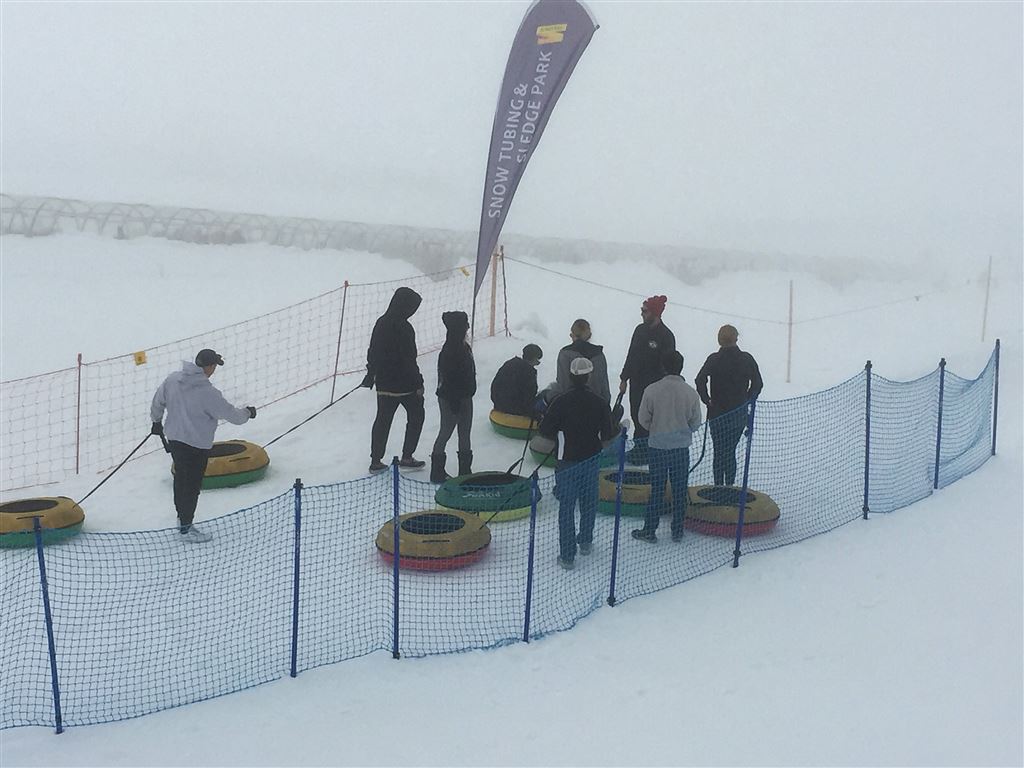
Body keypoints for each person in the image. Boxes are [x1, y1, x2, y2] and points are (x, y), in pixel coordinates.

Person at [150, 348, 255, 543]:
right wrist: (248, 413)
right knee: (191, 486)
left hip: (175, 440)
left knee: (181, 481)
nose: (214, 369)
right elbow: (232, 415)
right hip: (196, 446)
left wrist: (156, 421)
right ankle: (185, 528)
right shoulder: (208, 393)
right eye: (214, 365)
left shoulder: (173, 379)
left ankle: (182, 520)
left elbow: (158, 401)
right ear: (208, 366)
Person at [538, 357, 617, 570]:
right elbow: (608, 434)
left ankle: (567, 555)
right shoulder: (600, 402)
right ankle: (586, 541)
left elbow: (545, 431)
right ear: (589, 376)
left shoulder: (560, 402)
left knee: (566, 507)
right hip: (591, 459)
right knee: (589, 501)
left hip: (566, 461)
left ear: (570, 376)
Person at [631, 350, 702, 543]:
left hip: (657, 447)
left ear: (663, 367)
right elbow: (696, 423)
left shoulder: (652, 390)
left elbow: (642, 420)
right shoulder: (691, 393)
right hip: (680, 448)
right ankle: (677, 530)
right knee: (680, 490)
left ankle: (650, 529)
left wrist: (655, 428)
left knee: (657, 489)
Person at [361, 287, 427, 474]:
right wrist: (418, 383)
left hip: (384, 384)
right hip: (405, 385)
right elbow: (409, 359)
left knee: (382, 420)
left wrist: (371, 373)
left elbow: (372, 351)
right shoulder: (405, 328)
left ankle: (375, 460)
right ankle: (407, 456)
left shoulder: (381, 323)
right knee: (416, 417)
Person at [695, 324, 763, 487]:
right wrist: (747, 398)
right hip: (738, 415)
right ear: (736, 338)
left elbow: (699, 380)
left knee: (719, 452)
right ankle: (729, 486)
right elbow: (758, 383)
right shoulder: (746, 359)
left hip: (717, 414)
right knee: (730, 451)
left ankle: (719, 485)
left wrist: (707, 399)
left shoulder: (714, 359)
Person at [618, 295, 676, 461]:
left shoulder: (666, 336)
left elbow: (669, 364)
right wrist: (624, 378)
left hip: (656, 387)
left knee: (652, 419)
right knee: (637, 415)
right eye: (641, 311)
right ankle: (640, 448)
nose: (642, 314)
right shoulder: (639, 330)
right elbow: (631, 355)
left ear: (655, 313)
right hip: (637, 383)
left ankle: (651, 451)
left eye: (645, 311)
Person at [431, 311, 476, 483]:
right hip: (451, 399)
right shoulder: (451, 350)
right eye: (465, 325)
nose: (468, 328)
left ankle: (465, 471)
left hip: (464, 397)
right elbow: (450, 378)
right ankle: (437, 471)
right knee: (446, 431)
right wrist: (455, 401)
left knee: (464, 434)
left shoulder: (463, 347)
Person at [545, 319, 611, 404]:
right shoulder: (599, 355)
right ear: (590, 336)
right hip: (596, 405)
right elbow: (604, 386)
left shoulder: (565, 354)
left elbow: (562, 384)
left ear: (572, 335)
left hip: (570, 405)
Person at [490, 344, 542, 417]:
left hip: (499, 403)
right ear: (534, 359)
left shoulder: (510, 363)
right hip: (514, 408)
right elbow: (528, 396)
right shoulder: (528, 372)